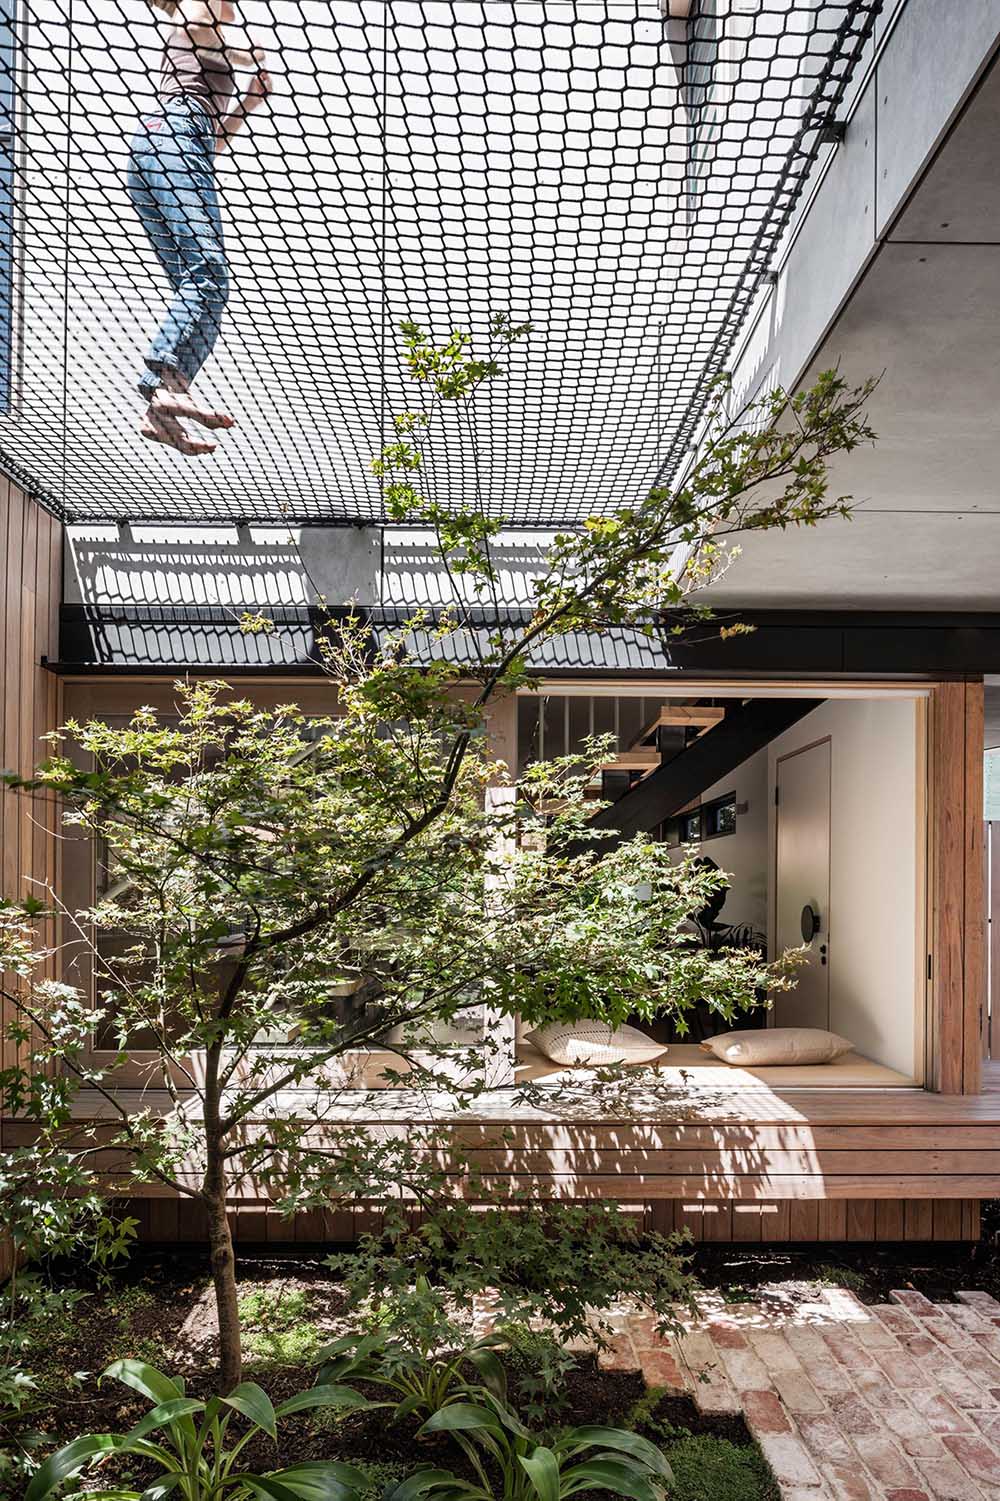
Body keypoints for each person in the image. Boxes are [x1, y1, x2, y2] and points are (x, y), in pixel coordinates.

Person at [127, 0, 272, 455]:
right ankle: (163, 381)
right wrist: (250, 55)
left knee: (210, 286)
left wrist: (248, 101)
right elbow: (203, 18)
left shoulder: (210, 40)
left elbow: (215, 142)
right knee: (207, 271)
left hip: (181, 149)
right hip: (170, 138)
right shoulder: (192, 24)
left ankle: (161, 405)